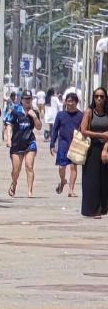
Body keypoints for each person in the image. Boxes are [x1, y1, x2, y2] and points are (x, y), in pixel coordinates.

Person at [2, 92, 41, 197]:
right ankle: (14, 184)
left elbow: (39, 127)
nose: (27, 100)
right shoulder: (15, 111)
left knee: (29, 166)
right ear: (21, 100)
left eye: (29, 98)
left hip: (30, 142)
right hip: (17, 143)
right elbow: (9, 125)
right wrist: (8, 139)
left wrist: (35, 117)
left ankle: (29, 191)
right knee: (16, 169)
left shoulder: (34, 112)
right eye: (25, 98)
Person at [79, 88, 108, 218]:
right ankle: (93, 209)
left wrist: (105, 149)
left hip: (105, 148)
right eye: (96, 96)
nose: (99, 99)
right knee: (92, 180)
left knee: (104, 179)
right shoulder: (89, 112)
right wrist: (100, 134)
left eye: (102, 96)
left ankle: (103, 208)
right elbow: (83, 130)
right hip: (92, 149)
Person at [50, 92, 82, 197]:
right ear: (65, 102)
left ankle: (71, 190)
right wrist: (52, 144)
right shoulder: (61, 115)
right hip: (63, 143)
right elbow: (55, 130)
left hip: (75, 144)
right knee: (61, 167)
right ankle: (63, 180)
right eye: (68, 101)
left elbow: (84, 130)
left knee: (73, 167)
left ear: (76, 103)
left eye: (73, 101)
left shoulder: (81, 115)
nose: (70, 103)